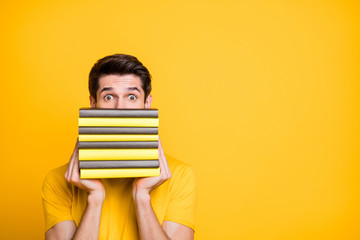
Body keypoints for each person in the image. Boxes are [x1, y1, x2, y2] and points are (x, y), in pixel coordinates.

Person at [42, 54, 196, 239]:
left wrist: (143, 197)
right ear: (93, 105)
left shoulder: (179, 176)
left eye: (132, 97)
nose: (120, 107)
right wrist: (95, 199)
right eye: (108, 97)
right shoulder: (59, 181)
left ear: (147, 104)